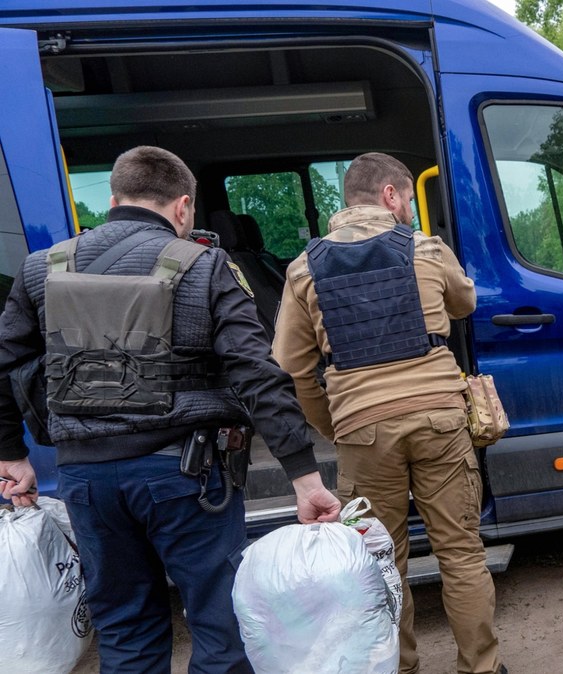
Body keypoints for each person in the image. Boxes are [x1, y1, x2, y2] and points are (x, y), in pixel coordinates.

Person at [0, 145, 341, 672]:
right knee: (220, 626)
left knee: (126, 631)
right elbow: (256, 372)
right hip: (185, 477)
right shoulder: (205, 266)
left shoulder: (41, 269)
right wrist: (302, 473)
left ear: (113, 199)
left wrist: (12, 454)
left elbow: (5, 363)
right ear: (183, 207)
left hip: (86, 479)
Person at [272, 153, 503, 673]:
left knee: (379, 561)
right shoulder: (425, 248)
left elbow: (292, 365)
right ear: (393, 196)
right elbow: (464, 303)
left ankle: (398, 666)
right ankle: (482, 668)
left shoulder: (304, 267)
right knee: (461, 553)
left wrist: (337, 425)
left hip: (361, 427)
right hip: (441, 419)